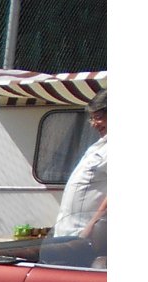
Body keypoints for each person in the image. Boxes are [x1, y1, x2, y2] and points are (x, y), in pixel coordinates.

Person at [53, 90, 106, 246]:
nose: (94, 124)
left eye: (98, 118)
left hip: (84, 235)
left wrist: (91, 227)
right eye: (92, 119)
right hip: (67, 232)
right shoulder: (99, 146)